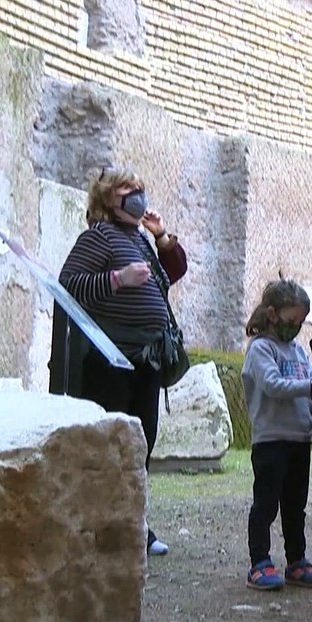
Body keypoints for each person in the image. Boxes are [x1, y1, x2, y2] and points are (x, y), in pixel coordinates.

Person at [55, 166, 188, 557]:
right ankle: (103, 526)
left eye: (139, 188)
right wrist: (117, 280)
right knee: (112, 446)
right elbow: (69, 284)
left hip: (145, 360)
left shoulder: (140, 238)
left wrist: (161, 235)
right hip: (111, 361)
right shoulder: (98, 237)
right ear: (107, 199)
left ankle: (135, 525)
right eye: (126, 189)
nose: (136, 194)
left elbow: (174, 271)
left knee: (140, 445)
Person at [241, 278, 312, 591]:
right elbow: (273, 386)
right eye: (291, 320)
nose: (295, 328)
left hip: (299, 439)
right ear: (271, 314)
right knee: (265, 504)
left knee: (295, 505)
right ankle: (259, 562)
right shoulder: (260, 349)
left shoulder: (296, 351)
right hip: (271, 441)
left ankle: (296, 560)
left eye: (300, 322)